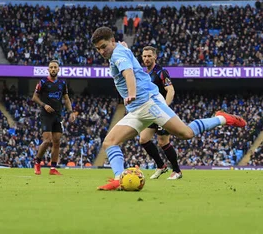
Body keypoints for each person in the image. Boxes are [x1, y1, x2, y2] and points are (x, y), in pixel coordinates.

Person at [91, 27, 246, 191]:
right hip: (137, 109)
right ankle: (119, 179)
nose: (101, 51)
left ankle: (222, 118)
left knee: (186, 133)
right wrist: (123, 48)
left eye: (103, 46)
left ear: (112, 41)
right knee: (110, 142)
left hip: (149, 103)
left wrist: (131, 93)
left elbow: (128, 74)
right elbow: (125, 56)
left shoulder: (118, 54)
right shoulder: (120, 49)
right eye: (98, 49)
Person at [140, 46, 182, 180]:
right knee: (143, 139)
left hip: (161, 112)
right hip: (150, 112)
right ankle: (161, 166)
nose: (146, 58)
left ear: (155, 57)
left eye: (149, 56)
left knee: (163, 142)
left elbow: (171, 90)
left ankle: (177, 171)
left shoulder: (161, 72)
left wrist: (164, 108)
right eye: (144, 56)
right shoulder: (145, 74)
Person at [32, 61, 76, 176]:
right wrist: (44, 105)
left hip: (58, 115)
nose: (53, 69)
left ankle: (53, 168)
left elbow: (66, 99)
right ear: (48, 69)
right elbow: (34, 97)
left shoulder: (62, 83)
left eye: (55, 67)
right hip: (46, 115)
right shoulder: (43, 82)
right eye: (51, 67)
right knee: (47, 141)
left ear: (58, 69)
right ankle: (37, 162)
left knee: (57, 142)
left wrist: (71, 112)